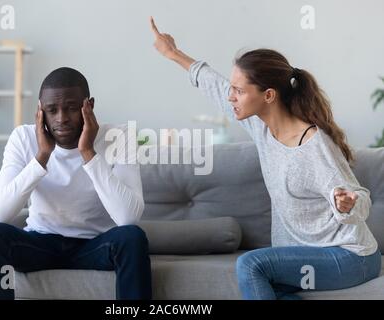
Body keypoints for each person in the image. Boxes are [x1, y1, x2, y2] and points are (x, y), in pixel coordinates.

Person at [150, 17, 381, 300]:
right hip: (306, 256)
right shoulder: (261, 126)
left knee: (251, 264)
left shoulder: (313, 146)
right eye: (232, 88)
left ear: (268, 95)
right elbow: (214, 85)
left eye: (239, 91)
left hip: (350, 258)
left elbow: (359, 199)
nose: (231, 96)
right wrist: (172, 53)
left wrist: (347, 203)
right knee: (260, 286)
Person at [0, 67, 152, 300]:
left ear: (89, 106)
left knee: (132, 237)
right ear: (40, 111)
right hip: (40, 243)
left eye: (71, 108)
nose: (61, 118)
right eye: (51, 110)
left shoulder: (119, 136)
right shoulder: (23, 138)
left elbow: (128, 218)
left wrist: (87, 152)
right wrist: (42, 157)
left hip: (96, 245)